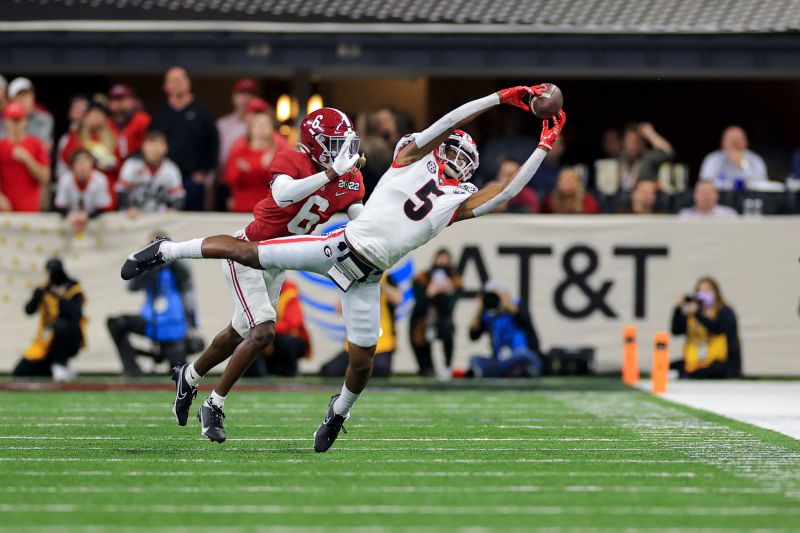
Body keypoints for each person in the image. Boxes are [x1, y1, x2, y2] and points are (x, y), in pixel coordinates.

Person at [121, 84, 566, 453]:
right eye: (450, 153)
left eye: (462, 161)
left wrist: (543, 145)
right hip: (338, 248)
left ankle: (337, 413)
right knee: (249, 254)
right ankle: (167, 252)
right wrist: (502, 97)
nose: (453, 163)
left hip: (368, 277)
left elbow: (505, 192)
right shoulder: (408, 155)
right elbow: (449, 120)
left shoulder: (455, 204)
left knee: (362, 364)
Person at [129, 107, 365, 443]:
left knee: (237, 332)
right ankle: (214, 403)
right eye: (333, 143)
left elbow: (362, 219)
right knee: (264, 330)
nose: (340, 150)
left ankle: (189, 376)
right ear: (314, 142)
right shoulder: (291, 159)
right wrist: (328, 174)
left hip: (278, 260)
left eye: (343, 143)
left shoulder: (350, 176)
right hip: (248, 253)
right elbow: (284, 194)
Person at [108, 234, 200, 377]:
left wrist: (193, 326)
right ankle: (131, 367)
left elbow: (188, 291)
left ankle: (168, 355)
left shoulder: (178, 265)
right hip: (150, 321)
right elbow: (132, 288)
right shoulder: (148, 267)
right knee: (116, 323)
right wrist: (141, 263)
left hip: (173, 325)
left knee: (179, 372)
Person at [149, 67, 219, 211]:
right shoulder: (159, 113)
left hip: (191, 179)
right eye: (172, 81)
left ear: (188, 82)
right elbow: (150, 142)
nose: (177, 83)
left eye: (180, 79)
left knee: (193, 222)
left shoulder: (202, 111)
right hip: (164, 178)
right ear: (165, 86)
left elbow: (213, 144)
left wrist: (203, 172)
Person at [14, 258, 85, 381]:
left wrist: (61, 296)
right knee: (21, 371)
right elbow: (29, 310)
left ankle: (60, 363)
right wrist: (38, 290)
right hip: (46, 339)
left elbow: (75, 314)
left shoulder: (73, 287)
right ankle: (54, 368)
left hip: (70, 338)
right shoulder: (44, 288)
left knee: (61, 325)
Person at [321, 273, 402, 378]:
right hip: (356, 342)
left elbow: (398, 299)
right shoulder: (354, 277)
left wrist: (378, 283)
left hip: (382, 343)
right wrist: (349, 285)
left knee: (380, 370)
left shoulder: (386, 277)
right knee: (329, 371)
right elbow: (338, 309)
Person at [671, 276, 741, 379]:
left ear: (716, 292)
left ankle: (687, 375)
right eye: (700, 290)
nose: (704, 293)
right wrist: (678, 309)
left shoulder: (724, 311)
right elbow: (676, 331)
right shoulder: (692, 313)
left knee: (709, 371)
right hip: (694, 361)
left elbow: (717, 328)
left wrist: (698, 314)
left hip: (718, 362)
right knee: (668, 367)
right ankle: (685, 373)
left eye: (708, 290)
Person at [468, 281, 542, 378]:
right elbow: (473, 335)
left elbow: (526, 321)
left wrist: (507, 304)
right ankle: (513, 372)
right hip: (499, 360)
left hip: (521, 355)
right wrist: (479, 308)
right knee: (473, 359)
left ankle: (497, 372)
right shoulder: (488, 314)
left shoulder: (517, 305)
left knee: (524, 355)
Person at [409, 248, 462, 377]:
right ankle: (426, 368)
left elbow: (449, 310)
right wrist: (429, 293)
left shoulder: (455, 281)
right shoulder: (422, 278)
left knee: (448, 327)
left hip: (442, 322)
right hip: (422, 322)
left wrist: (448, 292)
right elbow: (420, 305)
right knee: (426, 369)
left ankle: (447, 367)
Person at [223, 108, 285, 212]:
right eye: (257, 124)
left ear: (272, 128)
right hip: (242, 206)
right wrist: (242, 171)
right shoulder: (239, 150)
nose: (261, 128)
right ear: (250, 128)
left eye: (265, 124)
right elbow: (230, 179)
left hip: (270, 209)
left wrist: (266, 169)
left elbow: (284, 184)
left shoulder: (280, 151)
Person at [116, 130, 185, 214]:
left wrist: (174, 209)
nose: (155, 148)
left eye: (159, 144)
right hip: (133, 215)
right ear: (143, 146)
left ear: (166, 148)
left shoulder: (171, 168)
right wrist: (129, 207)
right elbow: (121, 190)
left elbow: (179, 196)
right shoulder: (132, 164)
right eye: (151, 144)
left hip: (159, 216)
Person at [0, 102, 51, 212]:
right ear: (6, 122)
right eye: (12, 120)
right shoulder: (1, 146)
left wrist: (27, 158)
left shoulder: (37, 144)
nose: (16, 124)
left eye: (18, 120)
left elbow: (45, 177)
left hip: (30, 211)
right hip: (5, 212)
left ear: (25, 121)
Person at [61, 98, 120, 185]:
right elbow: (66, 157)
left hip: (107, 182)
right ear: (85, 117)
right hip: (83, 181)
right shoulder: (77, 135)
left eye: (99, 114)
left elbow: (119, 163)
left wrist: (108, 162)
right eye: (92, 114)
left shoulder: (112, 136)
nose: (96, 117)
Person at [54, 149, 112, 234]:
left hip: (94, 220)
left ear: (91, 165)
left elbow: (103, 207)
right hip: (71, 219)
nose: (82, 167)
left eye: (85, 162)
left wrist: (87, 216)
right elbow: (60, 205)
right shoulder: (65, 180)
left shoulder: (100, 180)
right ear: (72, 166)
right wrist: (69, 215)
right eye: (79, 163)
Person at [699, 126, 767, 191]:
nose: (735, 144)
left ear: (746, 142)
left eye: (738, 140)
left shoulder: (756, 160)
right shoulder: (713, 159)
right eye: (731, 140)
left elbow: (761, 185)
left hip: (749, 199)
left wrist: (742, 164)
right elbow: (705, 184)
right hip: (720, 198)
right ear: (723, 142)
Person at [216, 78, 259, 171]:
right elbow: (217, 156)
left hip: (256, 177)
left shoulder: (262, 124)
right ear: (233, 97)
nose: (246, 98)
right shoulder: (222, 125)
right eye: (241, 93)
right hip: (227, 178)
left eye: (250, 94)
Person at [618, 122, 673, 191]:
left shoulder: (648, 156)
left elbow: (669, 153)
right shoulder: (623, 157)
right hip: (629, 196)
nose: (631, 145)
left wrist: (651, 134)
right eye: (628, 141)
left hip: (648, 195)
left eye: (635, 141)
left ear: (642, 142)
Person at [7, 77, 54, 149]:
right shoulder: (7, 119)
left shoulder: (45, 118)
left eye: (26, 95)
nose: (23, 100)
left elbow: (41, 147)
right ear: (13, 101)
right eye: (19, 96)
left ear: (33, 96)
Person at [109, 84, 151, 160]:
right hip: (113, 169)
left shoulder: (142, 119)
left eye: (122, 99)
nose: (118, 104)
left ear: (132, 101)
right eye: (114, 100)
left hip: (138, 165)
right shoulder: (107, 123)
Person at [55, 95, 89, 179]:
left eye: (84, 109)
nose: (80, 112)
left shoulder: (97, 135)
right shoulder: (65, 139)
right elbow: (61, 169)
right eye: (76, 108)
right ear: (69, 113)